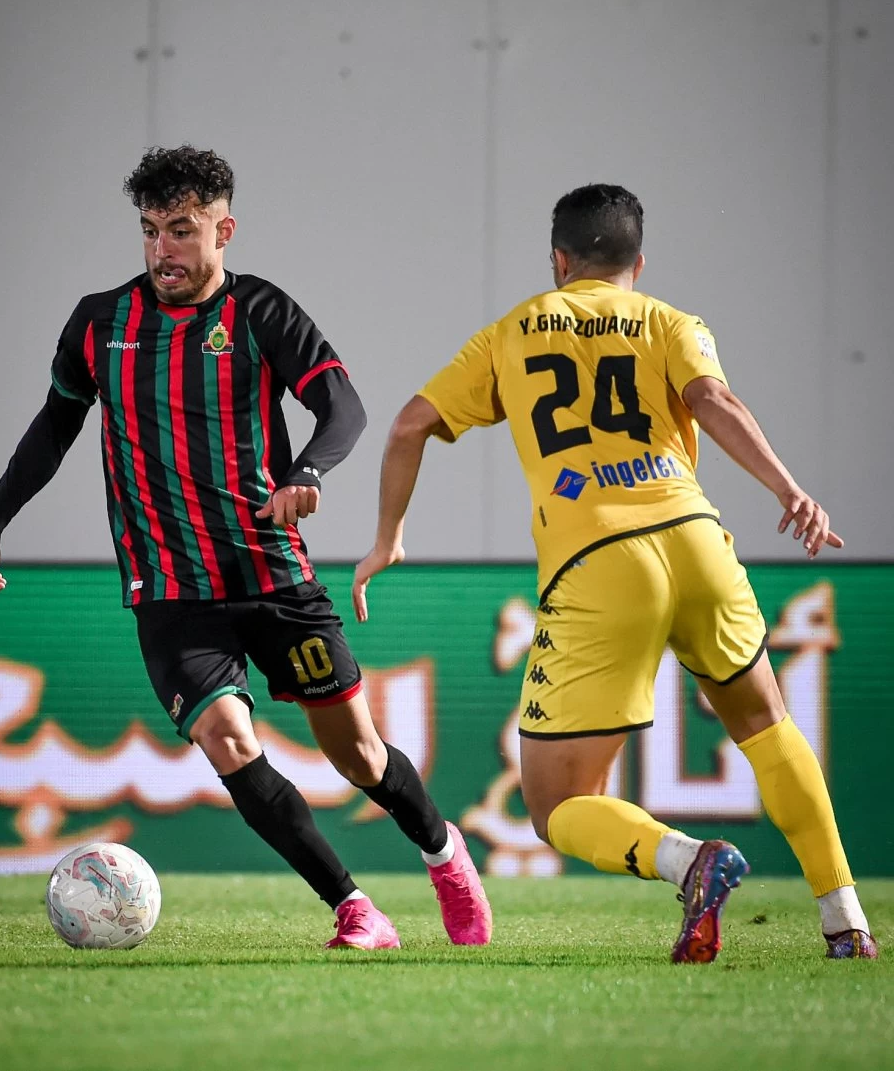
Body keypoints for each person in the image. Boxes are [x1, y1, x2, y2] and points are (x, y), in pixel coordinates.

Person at [0, 145, 492, 951]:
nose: (162, 250)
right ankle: (355, 909)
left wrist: (308, 470)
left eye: (180, 230)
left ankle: (444, 854)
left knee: (359, 756)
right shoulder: (102, 323)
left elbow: (341, 406)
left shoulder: (260, 313)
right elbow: (55, 424)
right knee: (229, 742)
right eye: (149, 232)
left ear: (223, 230)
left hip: (272, 574)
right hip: (170, 591)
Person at [353, 183, 877, 962]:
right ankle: (847, 923)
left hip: (598, 560)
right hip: (697, 538)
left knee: (558, 802)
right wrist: (787, 488)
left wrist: (388, 537)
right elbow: (711, 398)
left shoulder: (511, 332)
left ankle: (688, 860)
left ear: (559, 259)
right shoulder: (668, 319)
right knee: (767, 725)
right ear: (638, 260)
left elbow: (409, 424)